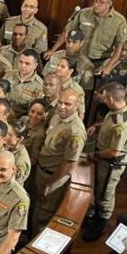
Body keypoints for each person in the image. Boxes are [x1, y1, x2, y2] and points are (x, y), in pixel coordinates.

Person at [83, 83, 127, 241]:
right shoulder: (122, 109)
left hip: (110, 163)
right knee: (98, 189)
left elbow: (114, 151)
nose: (104, 100)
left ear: (111, 99)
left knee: (105, 193)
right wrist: (98, 126)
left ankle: (101, 223)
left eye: (105, 98)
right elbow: (109, 123)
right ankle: (96, 215)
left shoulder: (121, 124)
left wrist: (95, 155)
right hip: (104, 156)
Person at [34, 90, 86, 230]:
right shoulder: (56, 117)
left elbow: (69, 164)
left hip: (53, 177)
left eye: (67, 104)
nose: (62, 107)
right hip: (41, 169)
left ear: (76, 106)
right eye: (60, 102)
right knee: (36, 208)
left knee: (43, 216)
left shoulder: (75, 131)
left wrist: (48, 184)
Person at [47, 0, 127, 78]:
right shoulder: (83, 13)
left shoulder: (119, 21)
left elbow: (120, 47)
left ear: (109, 4)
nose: (96, 5)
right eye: (95, 1)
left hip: (101, 61)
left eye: (101, 2)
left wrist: (108, 66)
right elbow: (67, 31)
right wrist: (53, 50)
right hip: (81, 58)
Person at [3, 50, 44, 117]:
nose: (23, 66)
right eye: (21, 62)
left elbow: (35, 111)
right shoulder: (8, 75)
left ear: (35, 66)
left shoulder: (39, 86)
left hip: (21, 118)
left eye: (27, 64)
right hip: (3, 113)